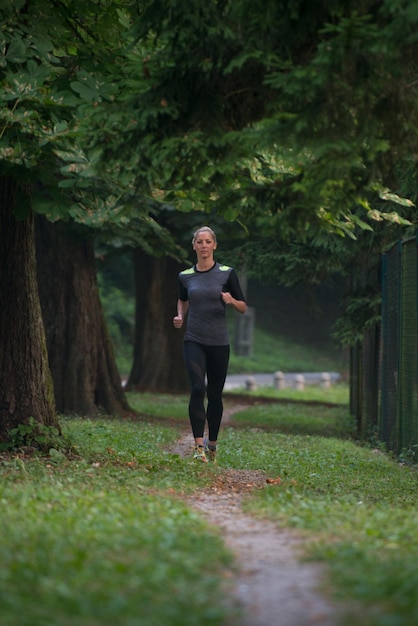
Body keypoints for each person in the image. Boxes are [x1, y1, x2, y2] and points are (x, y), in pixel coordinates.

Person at [173, 226, 247, 463]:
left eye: (208, 242)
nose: (204, 246)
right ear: (194, 246)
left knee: (215, 395)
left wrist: (231, 300)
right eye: (199, 242)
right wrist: (180, 317)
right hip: (194, 339)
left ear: (214, 245)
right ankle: (197, 447)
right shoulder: (185, 276)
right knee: (197, 389)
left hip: (219, 343)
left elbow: (243, 307)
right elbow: (182, 299)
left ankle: (212, 444)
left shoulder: (227, 274)